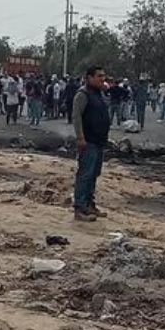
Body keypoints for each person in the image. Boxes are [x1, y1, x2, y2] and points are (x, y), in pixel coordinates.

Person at [72, 66, 111, 222]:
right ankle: (80, 208)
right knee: (85, 174)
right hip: (88, 142)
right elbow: (76, 117)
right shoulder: (83, 94)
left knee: (94, 174)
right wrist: (80, 138)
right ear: (89, 77)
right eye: (99, 76)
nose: (103, 78)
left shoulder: (98, 94)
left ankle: (89, 204)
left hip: (99, 141)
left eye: (104, 76)